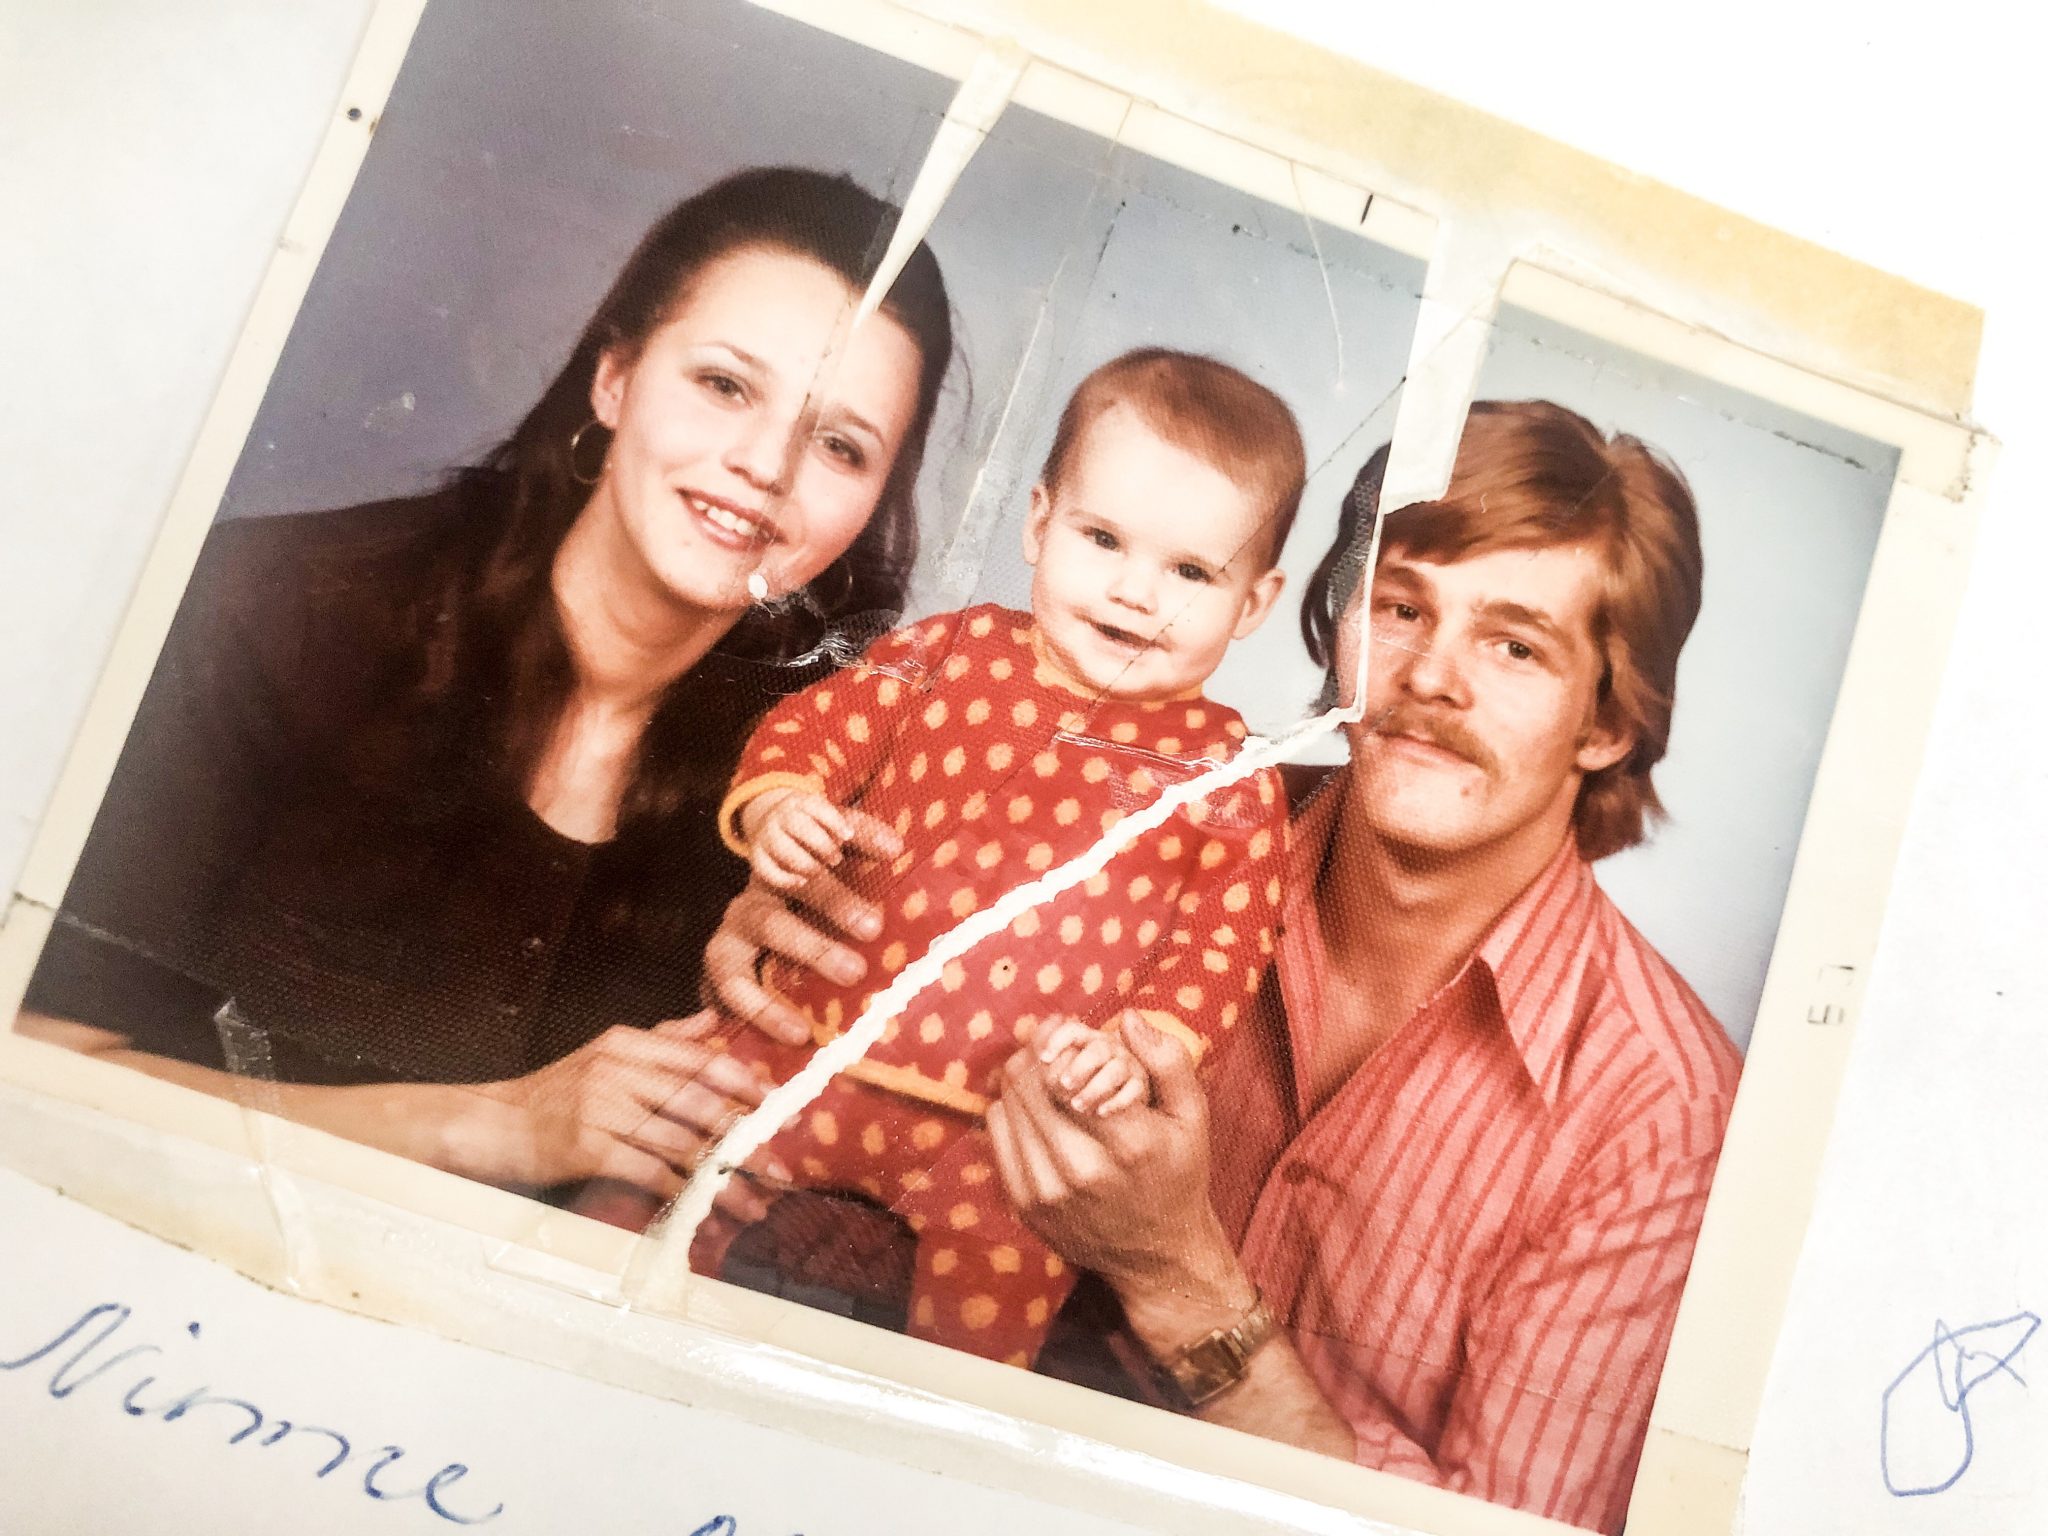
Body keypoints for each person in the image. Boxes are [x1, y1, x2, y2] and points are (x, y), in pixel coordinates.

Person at [707, 400, 1742, 1535]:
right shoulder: (1149, 816)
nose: (1431, 679)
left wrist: (1174, 1275)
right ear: (1332, 622)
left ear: (1607, 723)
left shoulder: (1666, 1119)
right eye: (1400, 608)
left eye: (1515, 646)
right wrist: (797, 912)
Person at [15, 166, 954, 1218]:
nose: (765, 465)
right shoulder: (279, 609)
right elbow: (36, 1063)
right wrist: (496, 1128)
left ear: (872, 504)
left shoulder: (832, 778)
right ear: (614, 379)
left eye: (839, 446)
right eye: (725, 385)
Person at [614, 350, 1302, 1369]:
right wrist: (784, 805)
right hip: (808, 1047)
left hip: (1007, 1134)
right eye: (1102, 539)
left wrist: (1139, 1044)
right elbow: (816, 726)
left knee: (976, 1347)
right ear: (1037, 524)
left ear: (1253, 603)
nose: (1134, 593)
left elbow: (1222, 943)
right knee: (647, 1217)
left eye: (1191, 573)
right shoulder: (950, 651)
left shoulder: (1229, 771)